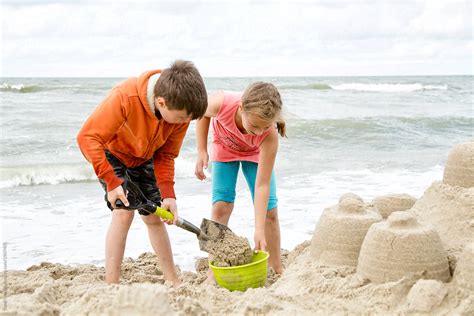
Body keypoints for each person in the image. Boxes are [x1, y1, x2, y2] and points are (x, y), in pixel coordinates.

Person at [77, 60, 207, 285]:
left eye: (188, 119)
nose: (184, 123)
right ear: (161, 102)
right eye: (181, 118)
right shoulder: (125, 97)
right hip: (112, 154)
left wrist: (168, 195)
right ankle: (112, 284)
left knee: (155, 216)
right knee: (123, 213)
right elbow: (87, 138)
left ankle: (172, 279)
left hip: (145, 156)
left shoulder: (180, 111)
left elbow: (165, 155)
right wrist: (111, 181)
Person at [195, 82, 285, 275]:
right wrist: (201, 149)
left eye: (265, 127)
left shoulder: (269, 136)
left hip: (254, 154)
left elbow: (262, 185)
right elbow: (201, 112)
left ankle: (277, 267)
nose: (259, 132)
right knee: (220, 207)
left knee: (270, 211)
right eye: (255, 126)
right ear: (241, 108)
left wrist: (258, 230)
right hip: (224, 147)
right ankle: (214, 270)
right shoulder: (222, 103)